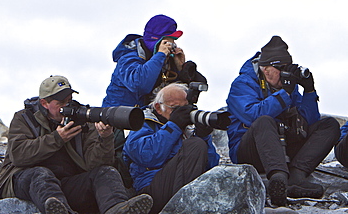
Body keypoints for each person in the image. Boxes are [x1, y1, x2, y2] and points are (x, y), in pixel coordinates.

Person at [0, 75, 153, 214]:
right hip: (23, 180)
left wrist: (105, 138)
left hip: (66, 184)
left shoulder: (80, 120)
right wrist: (57, 138)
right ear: (44, 103)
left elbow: (95, 164)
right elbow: (19, 156)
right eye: (60, 101)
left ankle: (117, 208)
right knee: (41, 174)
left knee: (106, 172)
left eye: (69, 100)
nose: (66, 105)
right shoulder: (25, 118)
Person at [226, 36, 340, 207]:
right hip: (251, 149)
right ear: (266, 69)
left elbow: (309, 122)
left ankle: (296, 176)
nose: (285, 73)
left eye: (287, 68)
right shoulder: (242, 84)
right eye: (282, 68)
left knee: (329, 125)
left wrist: (309, 90)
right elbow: (252, 116)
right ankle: (278, 179)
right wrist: (284, 93)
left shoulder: (287, 86)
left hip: (283, 145)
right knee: (264, 121)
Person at [123, 83, 220, 213]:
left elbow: (212, 169)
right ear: (158, 107)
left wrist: (204, 137)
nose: (182, 113)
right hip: (149, 190)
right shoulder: (143, 122)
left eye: (185, 108)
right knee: (195, 145)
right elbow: (146, 156)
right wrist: (173, 125)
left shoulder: (188, 128)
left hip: (181, 184)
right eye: (175, 108)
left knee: (197, 144)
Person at [102, 14, 206, 108]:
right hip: (118, 121)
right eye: (170, 39)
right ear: (159, 40)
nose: (173, 43)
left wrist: (181, 68)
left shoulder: (166, 60)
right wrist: (160, 55)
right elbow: (140, 85)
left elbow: (195, 89)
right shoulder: (128, 57)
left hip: (149, 120)